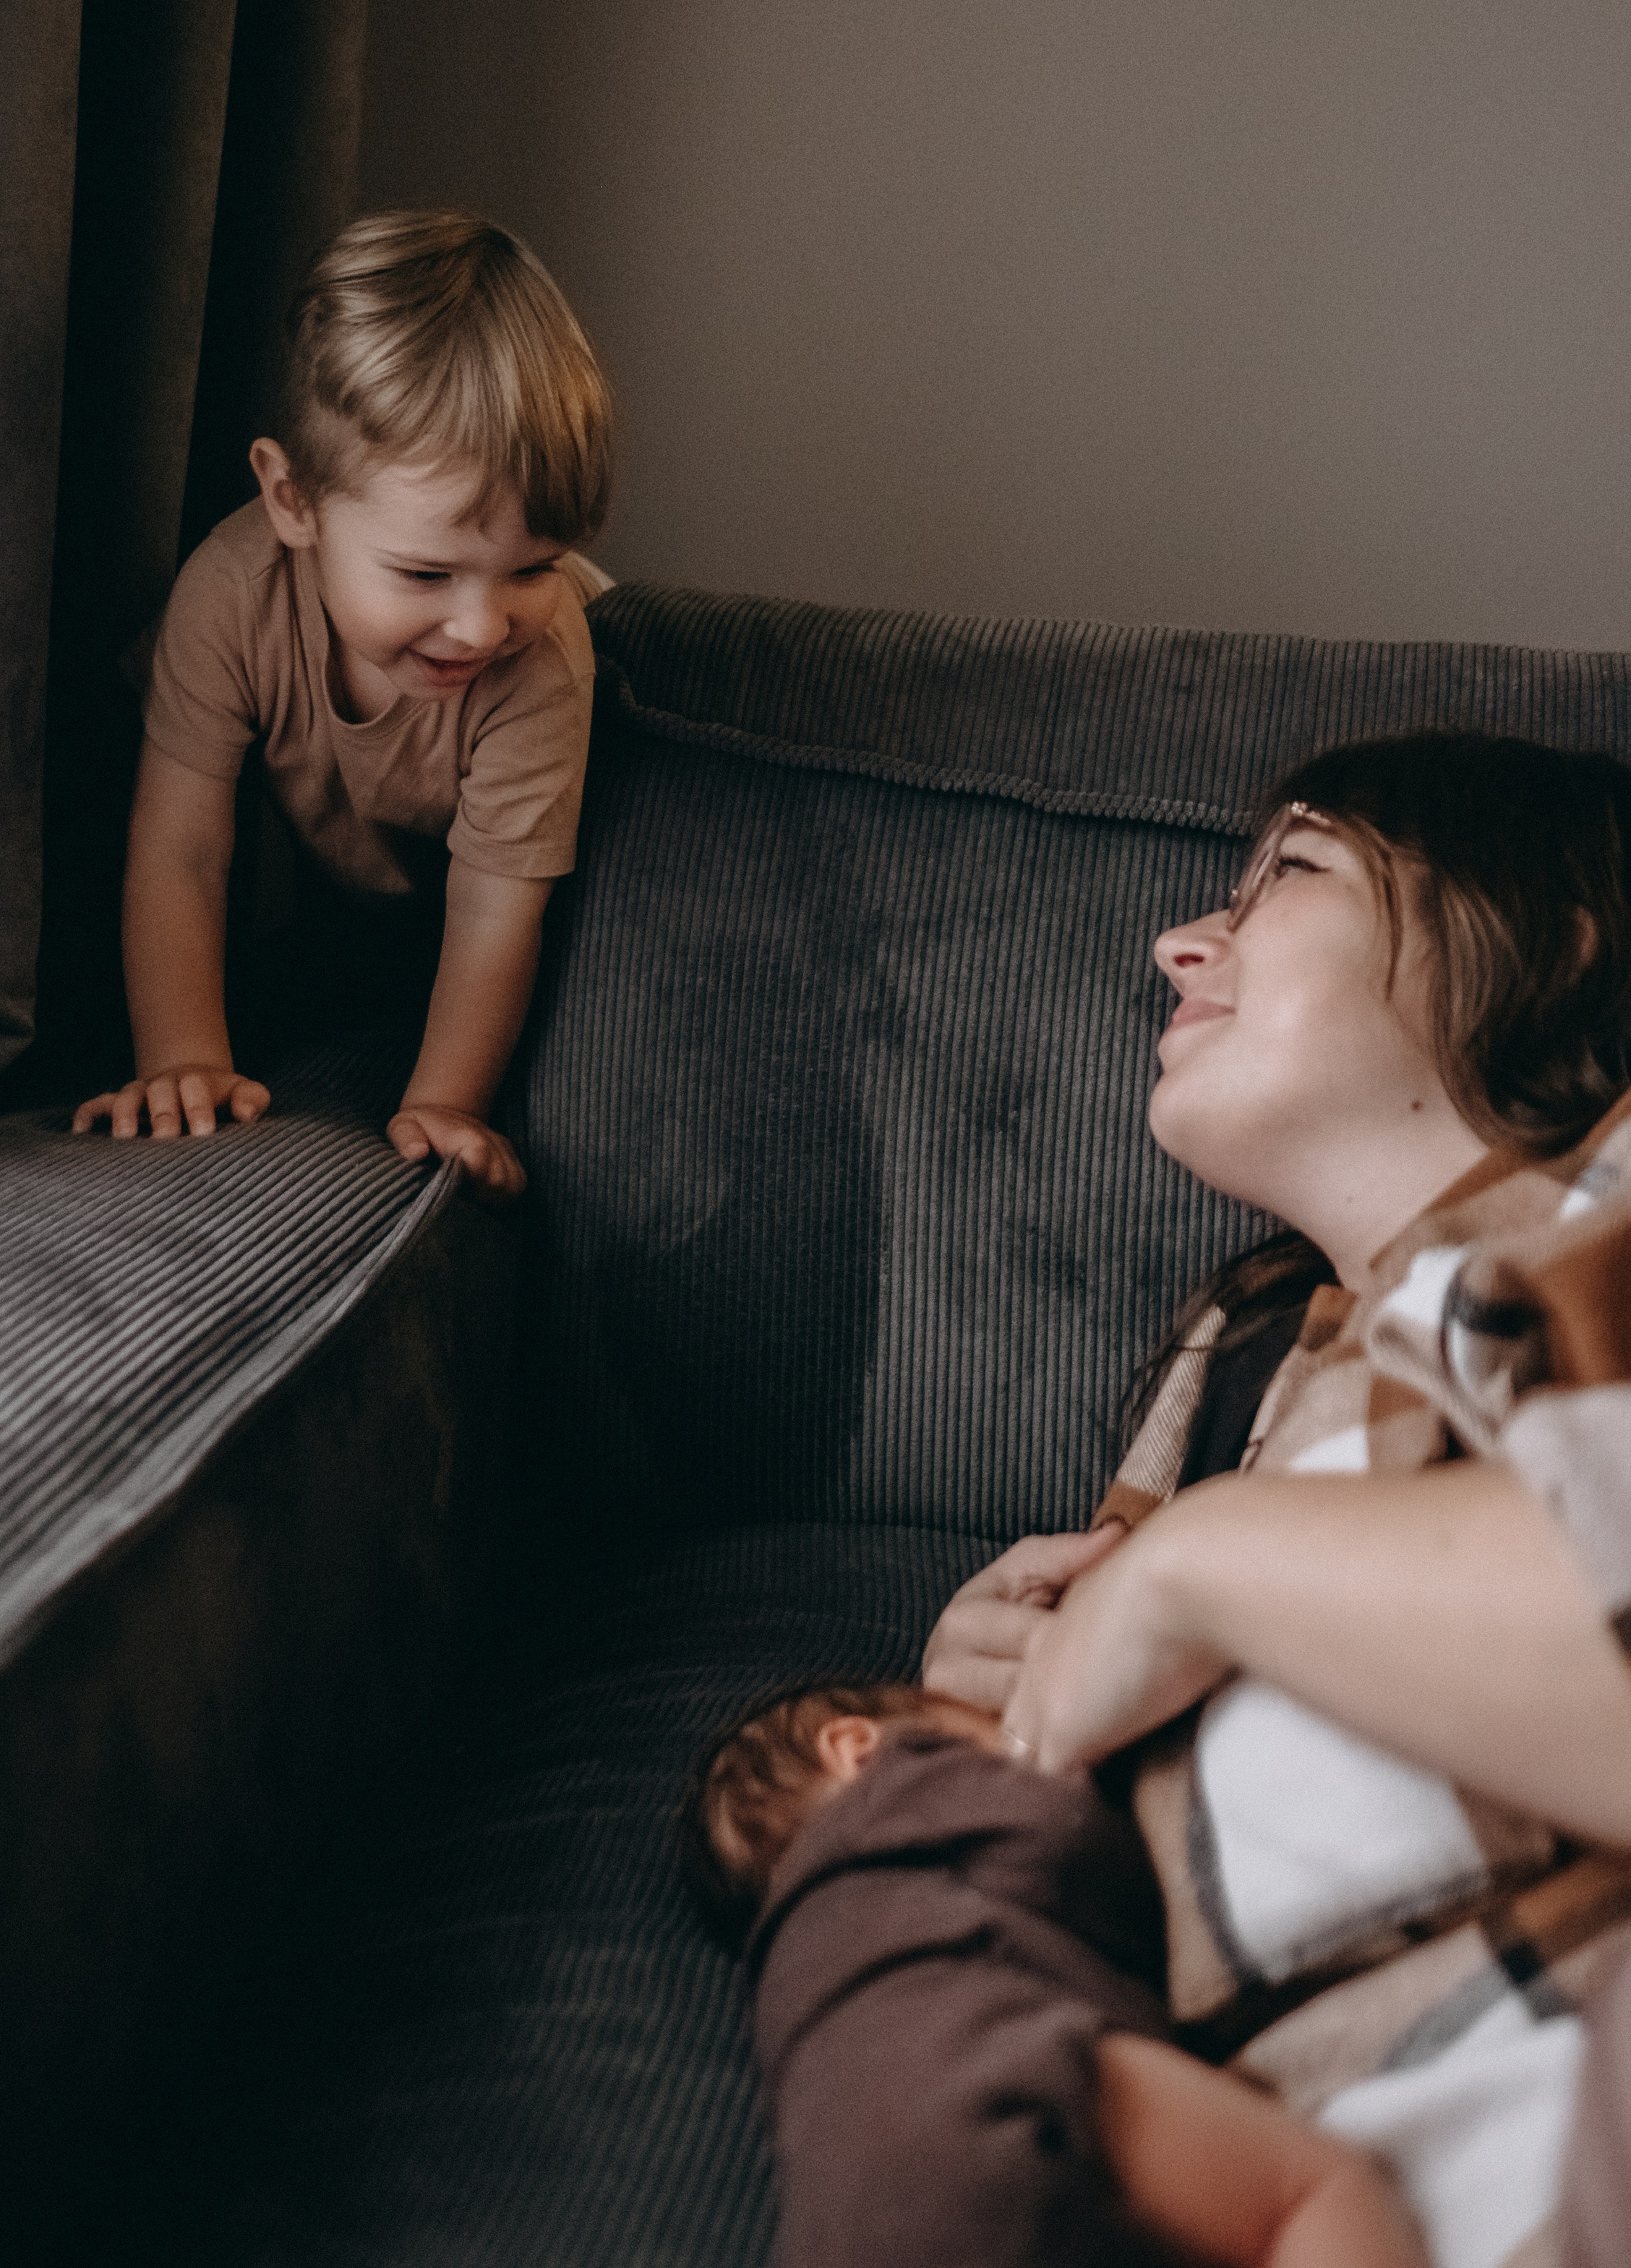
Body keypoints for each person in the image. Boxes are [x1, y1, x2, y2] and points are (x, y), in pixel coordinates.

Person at [923, 731, 1631, 2265]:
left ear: (1552, 933)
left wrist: (1203, 1573)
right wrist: (997, 1714)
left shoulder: (1607, 1207)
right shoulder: (1236, 1371)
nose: (1177, 942)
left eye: (1290, 874)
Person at [72, 210, 613, 1197]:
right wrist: (183, 1056)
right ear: (293, 501)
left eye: (534, 566)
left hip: (501, 895)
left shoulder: (543, 665)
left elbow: (496, 910)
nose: (483, 627)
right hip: (358, 901)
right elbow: (182, 851)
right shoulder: (229, 597)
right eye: (424, 573)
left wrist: (446, 1102)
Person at [684, 1678, 1426, 2267]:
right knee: (1309, 2199)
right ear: (856, 1749)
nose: (1020, 1743)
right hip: (956, 2116)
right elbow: (1082, 1846)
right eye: (992, 1729)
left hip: (848, 2219)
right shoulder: (913, 1798)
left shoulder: (813, 1960)